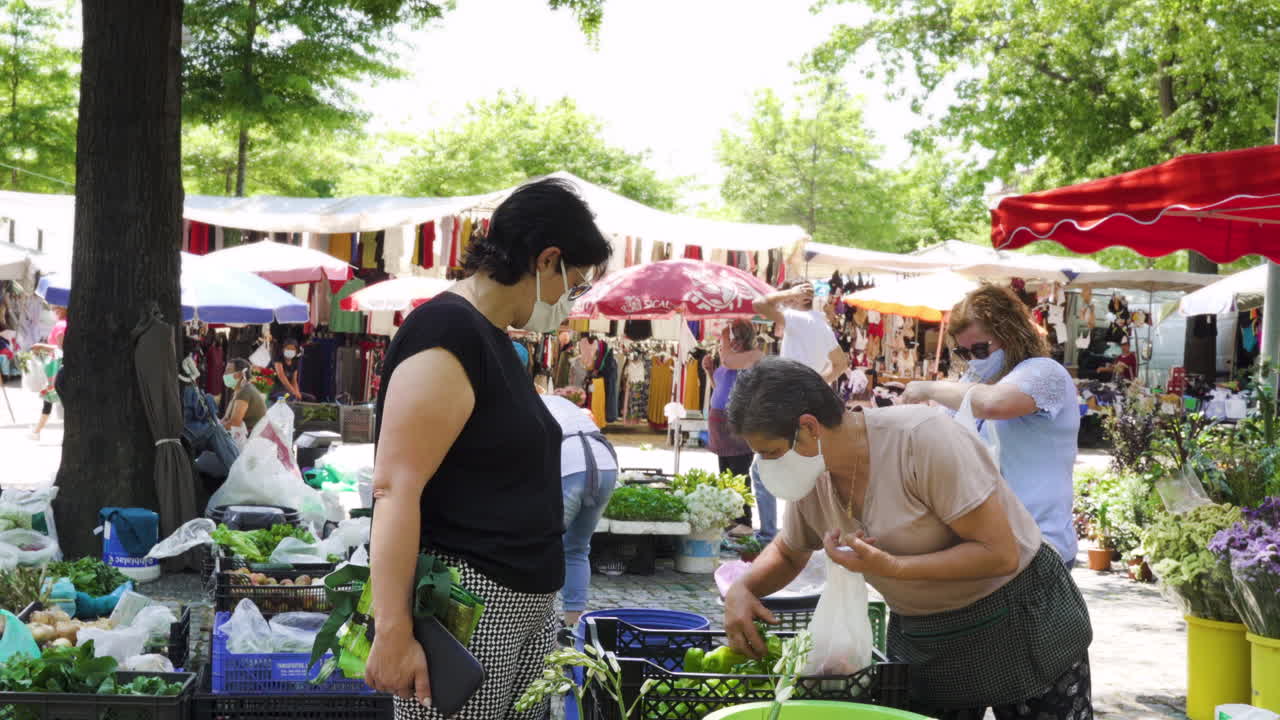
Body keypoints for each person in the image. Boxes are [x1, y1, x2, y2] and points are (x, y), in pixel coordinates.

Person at [722, 358, 1093, 719]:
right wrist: (745, 589)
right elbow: (790, 551)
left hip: (1020, 622)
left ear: (809, 428)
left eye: (770, 452)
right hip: (928, 639)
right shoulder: (811, 476)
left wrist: (893, 567)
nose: (766, 466)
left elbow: (999, 554)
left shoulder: (921, 438)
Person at [364, 178, 610, 719]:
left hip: (526, 601)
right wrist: (394, 629)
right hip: (475, 603)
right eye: (576, 282)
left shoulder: (495, 337)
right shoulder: (448, 332)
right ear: (547, 260)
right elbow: (394, 488)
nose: (572, 302)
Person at [900, 285, 1080, 566]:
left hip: (1039, 549)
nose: (973, 359)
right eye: (964, 352)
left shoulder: (1045, 373)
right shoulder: (972, 382)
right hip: (983, 547)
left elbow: (994, 404)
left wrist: (928, 387)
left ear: (1010, 334)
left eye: (981, 349)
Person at [540, 392, 618, 628]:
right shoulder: (558, 402)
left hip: (571, 464)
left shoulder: (526, 404)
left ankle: (532, 622)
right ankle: (573, 625)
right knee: (577, 547)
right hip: (606, 465)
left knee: (543, 545)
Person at [703, 320, 775, 540]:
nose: (729, 342)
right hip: (719, 422)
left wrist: (723, 334)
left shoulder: (754, 356)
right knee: (725, 473)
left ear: (742, 338)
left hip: (738, 421)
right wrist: (709, 370)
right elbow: (721, 387)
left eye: (733, 337)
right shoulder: (731, 359)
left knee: (740, 472)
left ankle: (744, 520)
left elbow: (729, 361)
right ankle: (731, 518)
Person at [753, 282, 848, 384]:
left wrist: (790, 292)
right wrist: (818, 385)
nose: (786, 302)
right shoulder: (824, 326)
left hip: (791, 391)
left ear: (804, 299)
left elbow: (758, 304)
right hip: (810, 395)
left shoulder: (794, 317)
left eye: (791, 297)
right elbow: (841, 364)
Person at [27, 306, 67, 442]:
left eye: (58, 308)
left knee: (51, 399)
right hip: (55, 368)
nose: (54, 310)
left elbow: (62, 348)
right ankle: (36, 431)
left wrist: (41, 346)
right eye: (54, 308)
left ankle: (37, 431)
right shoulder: (65, 323)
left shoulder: (62, 325)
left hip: (57, 369)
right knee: (49, 399)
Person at [221, 358, 267, 448]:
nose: (224, 374)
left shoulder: (245, 392)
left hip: (251, 443)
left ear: (240, 374)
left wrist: (216, 428)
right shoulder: (239, 391)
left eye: (228, 371)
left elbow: (235, 423)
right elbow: (226, 419)